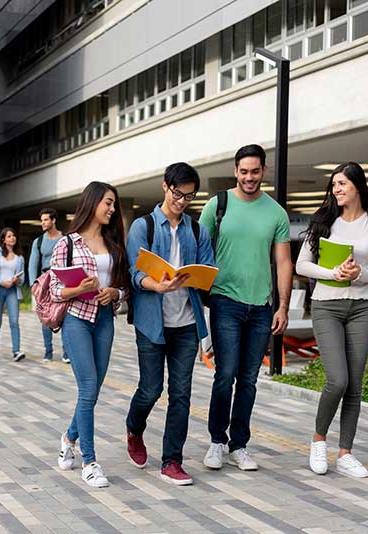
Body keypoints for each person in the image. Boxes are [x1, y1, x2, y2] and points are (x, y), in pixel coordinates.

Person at [199, 144, 292, 471]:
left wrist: (283, 307)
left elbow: (283, 261)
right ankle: (216, 440)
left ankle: (239, 444)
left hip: (261, 307)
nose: (249, 177)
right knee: (225, 374)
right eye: (243, 171)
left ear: (263, 171)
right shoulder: (217, 205)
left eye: (255, 171)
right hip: (225, 301)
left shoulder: (276, 213)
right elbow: (199, 249)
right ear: (235, 171)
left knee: (248, 379)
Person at [296, 162, 368, 478]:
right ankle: (318, 440)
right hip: (327, 307)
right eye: (334, 184)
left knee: (355, 383)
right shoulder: (323, 221)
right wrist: (333, 273)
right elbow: (302, 266)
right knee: (338, 379)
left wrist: (360, 274)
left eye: (342, 183)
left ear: (358, 186)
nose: (336, 189)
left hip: (363, 307)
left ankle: (346, 452)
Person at [125, 163, 215, 485]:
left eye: (189, 197)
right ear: (165, 186)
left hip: (187, 324)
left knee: (181, 394)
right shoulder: (143, 227)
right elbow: (134, 275)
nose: (182, 201)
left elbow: (209, 270)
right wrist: (156, 285)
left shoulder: (196, 230)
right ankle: (134, 428)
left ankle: (172, 461)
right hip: (152, 323)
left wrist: (199, 276)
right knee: (151, 389)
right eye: (178, 193)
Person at [50, 181, 128, 488]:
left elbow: (125, 288)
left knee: (93, 391)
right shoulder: (67, 244)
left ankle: (68, 437)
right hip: (77, 320)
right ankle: (90, 462)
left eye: (113, 204)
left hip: (105, 321)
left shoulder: (114, 244)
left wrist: (115, 292)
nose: (111, 209)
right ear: (92, 203)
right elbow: (56, 290)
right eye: (107, 202)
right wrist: (78, 289)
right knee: (88, 387)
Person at [28, 208, 69, 362]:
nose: (43, 223)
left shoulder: (65, 239)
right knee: (46, 317)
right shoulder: (38, 242)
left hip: (63, 280)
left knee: (64, 316)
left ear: (53, 220)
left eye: (46, 220)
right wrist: (33, 284)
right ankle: (48, 352)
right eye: (42, 220)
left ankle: (66, 353)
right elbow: (33, 264)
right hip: (45, 282)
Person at [0, 227, 26, 362]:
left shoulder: (19, 257)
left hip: (13, 291)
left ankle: (16, 351)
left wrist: (17, 280)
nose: (12, 238)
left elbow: (22, 278)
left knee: (14, 321)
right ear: (3, 239)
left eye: (14, 236)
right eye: (9, 236)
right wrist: (2, 282)